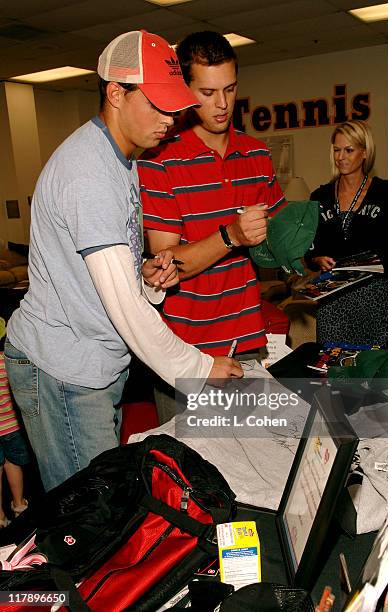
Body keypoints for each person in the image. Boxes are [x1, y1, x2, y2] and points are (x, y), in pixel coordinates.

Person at [4, 29, 242, 492]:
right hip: (63, 369)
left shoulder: (122, 158)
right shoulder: (89, 172)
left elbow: (104, 277)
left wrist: (144, 279)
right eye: (157, 106)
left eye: (174, 106)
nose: (170, 121)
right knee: (92, 514)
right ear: (116, 93)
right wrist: (197, 367)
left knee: (101, 505)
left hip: (87, 361)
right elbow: (124, 310)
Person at [138, 31, 286, 422]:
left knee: (257, 468)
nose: (222, 105)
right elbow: (166, 266)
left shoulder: (256, 153)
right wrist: (232, 236)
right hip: (186, 354)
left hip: (246, 342)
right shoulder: (159, 161)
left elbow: (283, 239)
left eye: (230, 89)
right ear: (184, 91)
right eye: (207, 92)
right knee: (192, 476)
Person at [305, 119, 388, 346]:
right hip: (333, 299)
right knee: (333, 371)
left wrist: (381, 257)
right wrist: (316, 259)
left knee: (376, 370)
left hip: (374, 295)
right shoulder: (320, 197)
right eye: (337, 150)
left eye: (349, 150)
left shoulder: (387, 193)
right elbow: (311, 248)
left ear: (365, 153)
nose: (341, 157)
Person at [0, 318, 30, 527]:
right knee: (14, 463)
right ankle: (19, 505)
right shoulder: (6, 361)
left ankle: (0, 517)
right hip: (11, 426)